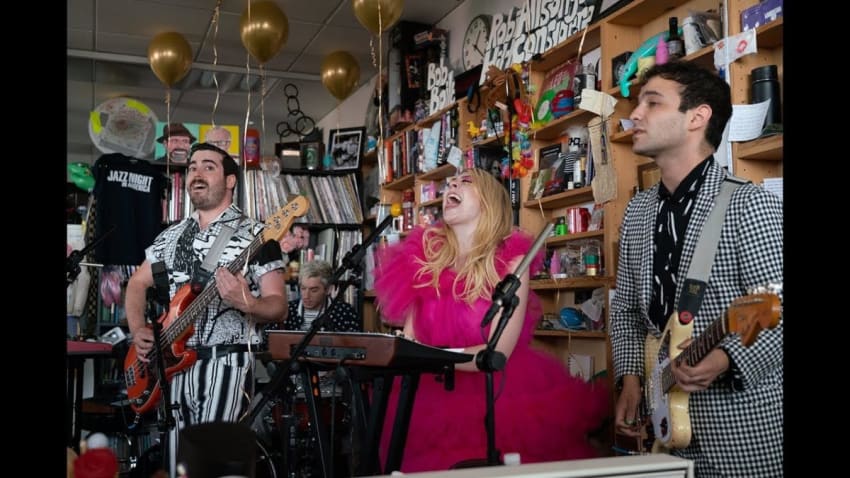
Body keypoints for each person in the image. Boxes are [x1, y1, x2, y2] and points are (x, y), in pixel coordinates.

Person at [373, 167, 609, 473]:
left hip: (497, 397)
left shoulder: (512, 264)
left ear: (489, 203)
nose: (453, 184)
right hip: (427, 399)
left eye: (465, 182)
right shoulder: (425, 265)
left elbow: (497, 352)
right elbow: (410, 342)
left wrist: (432, 357)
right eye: (451, 182)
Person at [610, 61, 783, 477]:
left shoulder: (750, 205)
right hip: (661, 425)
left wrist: (726, 356)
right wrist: (631, 377)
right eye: (637, 104)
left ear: (697, 117)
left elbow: (777, 303)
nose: (635, 114)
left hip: (741, 431)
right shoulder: (636, 212)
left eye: (652, 103)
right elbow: (627, 311)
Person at [125, 142, 288, 475]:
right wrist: (138, 329)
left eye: (208, 166)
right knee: (177, 467)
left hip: (225, 364)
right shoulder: (169, 237)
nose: (196, 173)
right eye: (192, 167)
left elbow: (278, 306)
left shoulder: (258, 235)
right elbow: (136, 284)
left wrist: (250, 303)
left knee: (212, 466)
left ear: (230, 181)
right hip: (169, 370)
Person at [280, 259, 360, 332]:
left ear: (328, 289)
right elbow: (270, 341)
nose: (306, 296)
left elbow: (355, 345)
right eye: (303, 288)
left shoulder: (345, 312)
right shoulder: (286, 311)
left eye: (313, 290)